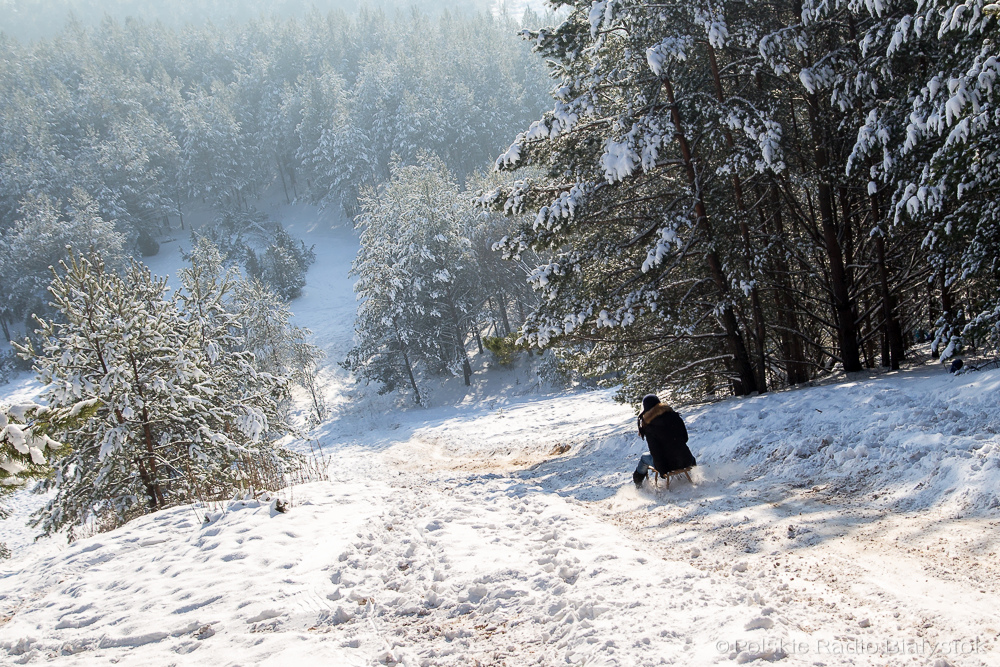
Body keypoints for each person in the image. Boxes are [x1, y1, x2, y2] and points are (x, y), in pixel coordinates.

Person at [633, 394, 696, 488]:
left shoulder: (649, 427)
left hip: (667, 465)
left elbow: (655, 452)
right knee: (680, 451)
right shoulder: (675, 417)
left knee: (644, 458)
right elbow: (685, 438)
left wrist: (662, 470)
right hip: (686, 460)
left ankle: (638, 484)